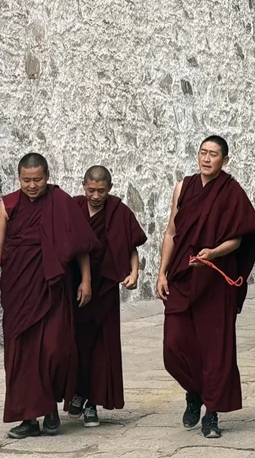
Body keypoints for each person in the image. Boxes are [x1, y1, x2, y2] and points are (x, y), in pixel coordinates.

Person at [0, 153, 98, 439]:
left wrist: (86, 279)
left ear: (47, 176)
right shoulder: (7, 206)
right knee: (21, 355)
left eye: (38, 180)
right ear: (18, 178)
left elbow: (80, 244)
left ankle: (50, 408)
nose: (32, 186)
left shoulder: (61, 203)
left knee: (54, 350)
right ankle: (30, 418)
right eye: (26, 180)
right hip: (19, 290)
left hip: (53, 289)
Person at [158, 135, 255, 439]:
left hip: (216, 280)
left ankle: (211, 414)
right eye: (202, 153)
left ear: (224, 161)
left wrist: (213, 254)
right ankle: (194, 391)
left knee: (215, 349)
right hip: (182, 275)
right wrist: (161, 272)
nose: (206, 159)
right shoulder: (183, 187)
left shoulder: (231, 192)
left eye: (213, 154)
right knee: (173, 345)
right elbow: (172, 232)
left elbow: (241, 238)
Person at [67, 165, 147, 426]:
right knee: (76, 344)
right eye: (91, 190)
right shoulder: (74, 208)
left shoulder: (119, 212)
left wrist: (134, 273)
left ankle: (92, 402)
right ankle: (76, 393)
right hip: (75, 287)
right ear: (83, 186)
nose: (96, 196)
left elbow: (131, 246)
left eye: (101, 191)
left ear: (110, 189)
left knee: (102, 347)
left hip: (106, 289)